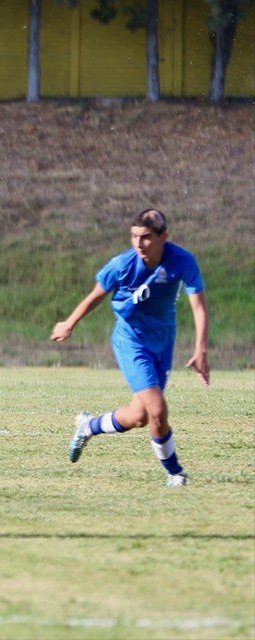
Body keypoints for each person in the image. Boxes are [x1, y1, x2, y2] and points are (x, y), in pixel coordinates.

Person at [51, 208, 209, 486]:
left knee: (139, 416)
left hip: (163, 342)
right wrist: (70, 322)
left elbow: (198, 306)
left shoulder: (182, 261)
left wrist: (200, 349)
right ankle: (175, 473)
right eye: (134, 236)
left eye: (146, 237)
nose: (138, 244)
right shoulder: (123, 264)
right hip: (131, 341)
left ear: (163, 237)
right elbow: (96, 296)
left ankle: (88, 426)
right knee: (157, 411)